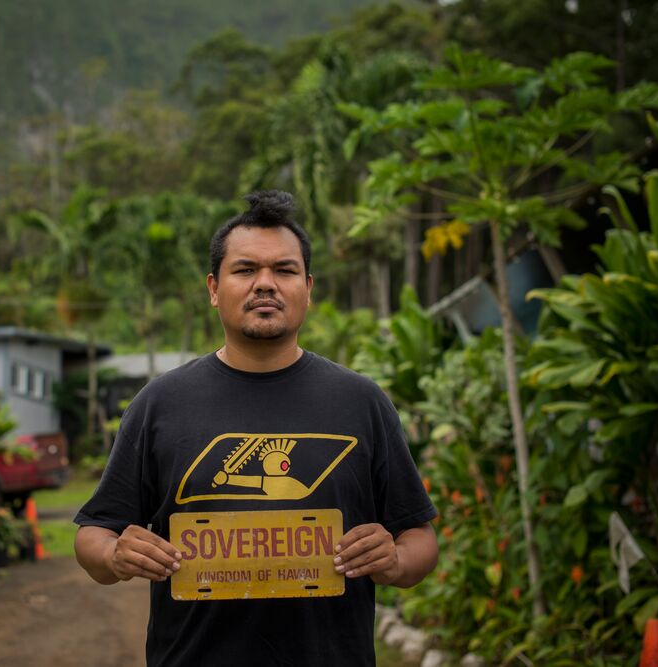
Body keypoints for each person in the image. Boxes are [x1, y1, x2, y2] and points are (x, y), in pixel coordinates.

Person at [74, 190, 438, 666]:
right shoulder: (158, 405)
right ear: (213, 288)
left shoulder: (362, 402)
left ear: (308, 288)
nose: (264, 284)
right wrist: (114, 555)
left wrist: (396, 560)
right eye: (245, 270)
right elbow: (93, 534)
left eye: (283, 270)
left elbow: (419, 538)